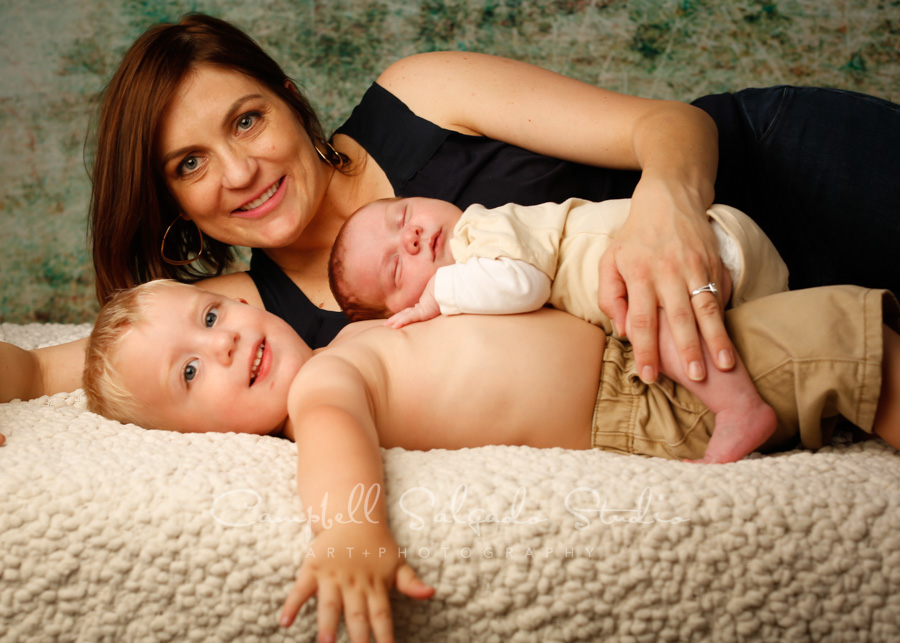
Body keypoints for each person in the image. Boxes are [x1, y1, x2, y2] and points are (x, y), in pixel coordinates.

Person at [4, 13, 900, 420]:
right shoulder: (245, 315)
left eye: (247, 121)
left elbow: (670, 124)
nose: (241, 171)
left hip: (780, 175)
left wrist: (666, 203)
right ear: (172, 202)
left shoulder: (418, 96)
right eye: (190, 164)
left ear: (287, 102)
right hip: (777, 336)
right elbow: (42, 366)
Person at [81, 279, 899, 642]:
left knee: (837, 338)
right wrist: (347, 532)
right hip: (648, 399)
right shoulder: (323, 382)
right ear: (197, 439)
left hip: (637, 348)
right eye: (190, 371)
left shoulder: (346, 335)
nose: (222, 341)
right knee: (854, 350)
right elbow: (335, 434)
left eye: (211, 311)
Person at [329, 196, 788, 463]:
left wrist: (437, 294)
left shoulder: (479, 230)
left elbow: (523, 286)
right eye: (395, 266)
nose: (410, 237)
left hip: (696, 250)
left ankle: (739, 408)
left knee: (653, 317)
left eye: (402, 216)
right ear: (394, 314)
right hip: (729, 277)